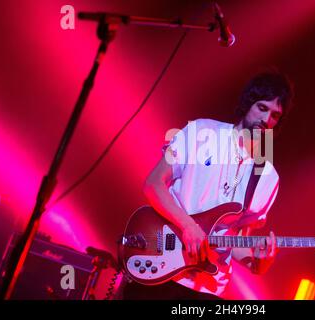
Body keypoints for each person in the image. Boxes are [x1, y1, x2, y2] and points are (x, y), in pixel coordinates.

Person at [122, 70, 294, 300]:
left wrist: (259, 262)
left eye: (275, 115)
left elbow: (236, 240)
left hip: (207, 286)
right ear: (248, 103)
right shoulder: (202, 131)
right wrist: (188, 226)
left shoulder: (268, 178)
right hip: (158, 264)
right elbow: (153, 184)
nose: (266, 119)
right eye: (262, 108)